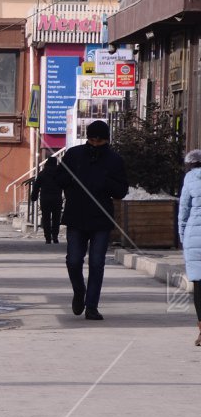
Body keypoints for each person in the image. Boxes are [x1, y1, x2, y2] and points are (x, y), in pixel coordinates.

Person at [59, 120, 129, 321]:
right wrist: (71, 180)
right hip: (76, 215)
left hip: (101, 218)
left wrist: (104, 181)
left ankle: (91, 306)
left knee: (97, 263)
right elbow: (59, 179)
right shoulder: (74, 155)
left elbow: (121, 190)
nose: (95, 144)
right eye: (92, 140)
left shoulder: (115, 160)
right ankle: (79, 291)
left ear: (106, 140)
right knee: (73, 260)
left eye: (99, 141)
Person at [179, 149, 201, 347]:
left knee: (199, 286)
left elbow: (183, 212)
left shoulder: (190, 179)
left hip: (195, 238)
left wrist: (183, 237)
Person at [30, 153, 65, 245]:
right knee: (56, 219)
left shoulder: (42, 174)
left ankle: (48, 238)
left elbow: (36, 186)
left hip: (45, 199)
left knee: (46, 218)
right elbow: (64, 185)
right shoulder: (59, 174)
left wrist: (34, 196)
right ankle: (55, 237)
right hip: (57, 199)